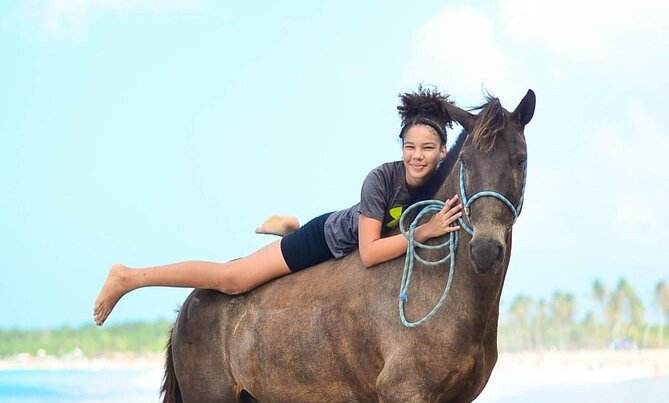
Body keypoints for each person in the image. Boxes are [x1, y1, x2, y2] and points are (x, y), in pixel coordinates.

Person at [93, 86, 463, 326]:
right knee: (232, 280)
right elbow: (368, 253)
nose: (418, 156)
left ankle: (288, 226)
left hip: (346, 235)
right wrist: (424, 232)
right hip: (328, 239)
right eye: (409, 147)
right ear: (400, 148)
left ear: (442, 152)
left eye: (428, 149)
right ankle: (130, 277)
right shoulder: (381, 179)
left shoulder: (439, 183)